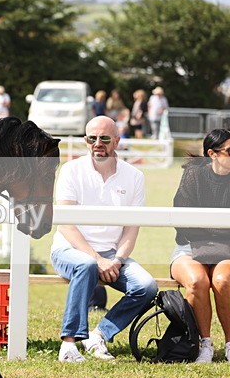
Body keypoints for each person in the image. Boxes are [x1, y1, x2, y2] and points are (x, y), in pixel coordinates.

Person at [50, 115, 158, 362]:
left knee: (146, 286)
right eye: (92, 138)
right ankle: (68, 346)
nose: (97, 143)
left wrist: (117, 261)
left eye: (104, 138)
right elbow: (66, 224)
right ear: (85, 140)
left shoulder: (134, 176)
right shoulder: (70, 170)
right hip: (69, 250)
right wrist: (97, 258)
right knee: (86, 265)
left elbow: (131, 229)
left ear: (117, 141)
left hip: (112, 255)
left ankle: (98, 335)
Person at [170, 128, 230, 363]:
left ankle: (229, 343)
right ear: (212, 154)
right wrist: (213, 238)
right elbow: (182, 221)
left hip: (226, 248)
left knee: (223, 280)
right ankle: (204, 344)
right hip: (190, 246)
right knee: (197, 281)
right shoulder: (193, 174)